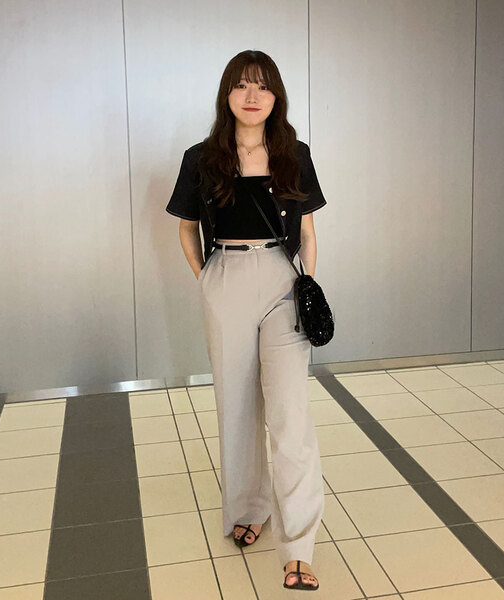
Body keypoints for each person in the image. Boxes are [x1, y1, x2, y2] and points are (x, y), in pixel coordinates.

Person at [166, 49, 327, 591]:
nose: (252, 95)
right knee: (235, 405)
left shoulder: (294, 154)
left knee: (290, 412)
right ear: (227, 95)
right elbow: (186, 225)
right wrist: (206, 279)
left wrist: (307, 282)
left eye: (262, 85)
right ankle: (248, 509)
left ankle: (298, 547)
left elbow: (308, 230)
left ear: (276, 95)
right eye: (241, 85)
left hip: (282, 280)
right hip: (226, 276)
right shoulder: (201, 157)